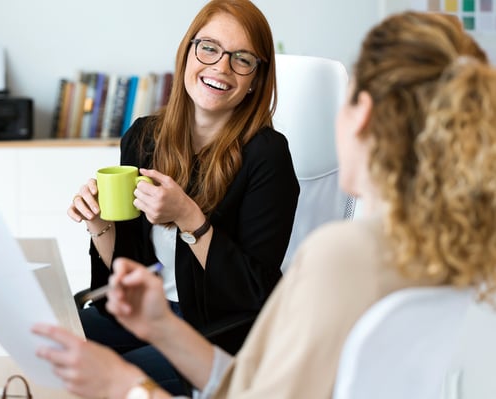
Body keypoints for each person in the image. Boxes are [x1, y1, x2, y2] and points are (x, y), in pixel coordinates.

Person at [35, 10, 496, 398]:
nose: (221, 66)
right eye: (209, 48)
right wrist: (159, 322)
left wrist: (125, 386)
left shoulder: (339, 254)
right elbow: (250, 383)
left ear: (364, 115)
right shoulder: (461, 256)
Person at [66, 0, 299, 394]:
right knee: (49, 346)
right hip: (142, 315)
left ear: (256, 78)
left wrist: (191, 219)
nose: (221, 68)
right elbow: (129, 269)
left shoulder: (267, 155)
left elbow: (257, 293)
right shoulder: (143, 138)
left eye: (241, 59)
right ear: (187, 51)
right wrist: (99, 223)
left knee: (100, 379)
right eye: (208, 48)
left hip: (212, 334)